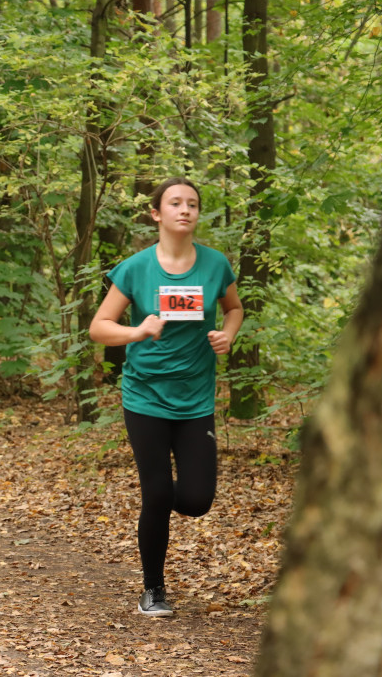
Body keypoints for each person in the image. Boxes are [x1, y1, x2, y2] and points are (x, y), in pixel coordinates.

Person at [90, 177, 244, 616]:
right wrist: (137, 331)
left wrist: (227, 335)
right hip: (145, 396)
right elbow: (100, 327)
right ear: (156, 213)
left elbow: (234, 308)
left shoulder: (215, 265)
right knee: (157, 494)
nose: (185, 210)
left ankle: (158, 497)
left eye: (192, 204)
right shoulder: (136, 268)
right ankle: (153, 590)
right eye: (175, 203)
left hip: (195, 399)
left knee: (196, 500)